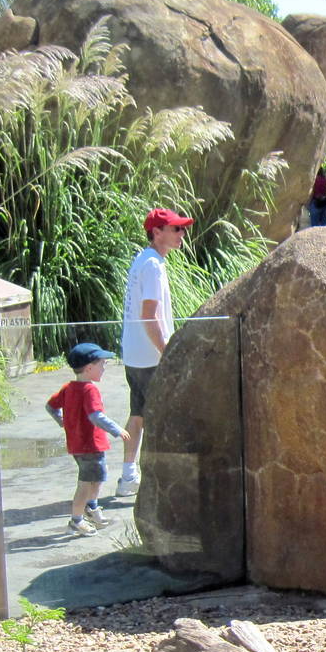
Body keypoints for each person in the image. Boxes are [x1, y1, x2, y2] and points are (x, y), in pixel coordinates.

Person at [118, 207, 189, 494]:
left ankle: (128, 476)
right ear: (157, 232)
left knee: (138, 415)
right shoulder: (153, 266)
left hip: (134, 353)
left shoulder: (143, 260)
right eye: (175, 229)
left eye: (182, 228)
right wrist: (166, 352)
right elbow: (149, 316)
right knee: (161, 416)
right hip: (150, 357)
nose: (181, 233)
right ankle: (158, 480)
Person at [46, 342, 131, 536]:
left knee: (98, 476)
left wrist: (62, 422)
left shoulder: (68, 388)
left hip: (77, 445)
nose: (104, 368)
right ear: (89, 368)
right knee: (85, 483)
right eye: (102, 364)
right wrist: (117, 429)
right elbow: (96, 416)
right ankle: (76, 520)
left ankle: (92, 508)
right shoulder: (89, 390)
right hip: (90, 445)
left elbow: (50, 406)